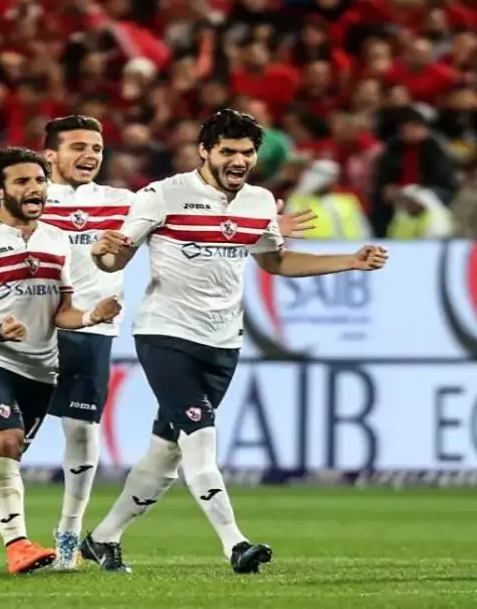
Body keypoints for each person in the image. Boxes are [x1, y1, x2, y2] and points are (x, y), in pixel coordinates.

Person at [0, 116, 316, 571]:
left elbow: (190, 221)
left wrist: (256, 223)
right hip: (34, 331)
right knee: (7, 441)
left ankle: (67, 539)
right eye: (78, 146)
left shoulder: (122, 201)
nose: (90, 155)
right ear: (51, 155)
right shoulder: (29, 195)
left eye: (97, 147)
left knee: (80, 435)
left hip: (91, 329)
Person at [83, 109, 388, 575]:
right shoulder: (163, 195)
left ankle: (103, 538)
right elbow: (116, 258)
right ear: (204, 151)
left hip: (223, 342)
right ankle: (236, 545)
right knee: (201, 439)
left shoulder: (260, 202)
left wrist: (349, 260)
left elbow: (275, 264)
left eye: (247, 152)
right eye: (228, 151)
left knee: (167, 452)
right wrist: (100, 255)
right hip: (166, 335)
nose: (239, 160)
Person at [0, 146, 121, 574]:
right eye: (22, 181)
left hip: (40, 365)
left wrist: (91, 316)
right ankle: (17, 544)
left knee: (5, 453)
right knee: (6, 438)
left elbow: (62, 312)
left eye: (39, 180)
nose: (35, 188)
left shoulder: (56, 239)